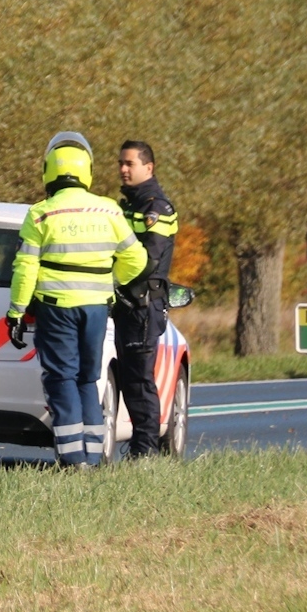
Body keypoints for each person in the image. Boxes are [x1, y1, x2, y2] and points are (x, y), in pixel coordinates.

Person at [6, 132, 147, 468]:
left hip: (56, 308)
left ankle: (72, 460)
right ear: (87, 171)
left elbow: (25, 269)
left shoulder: (40, 214)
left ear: (48, 170)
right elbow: (137, 260)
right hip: (97, 308)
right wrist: (113, 283)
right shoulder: (110, 211)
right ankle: (94, 456)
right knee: (87, 378)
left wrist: (16, 311)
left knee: (61, 378)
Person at [115, 140, 178, 458]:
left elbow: (148, 261)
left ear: (148, 168)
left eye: (130, 164)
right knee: (129, 378)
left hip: (142, 304)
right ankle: (140, 444)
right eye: (121, 164)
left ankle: (145, 450)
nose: (124, 169)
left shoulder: (156, 207)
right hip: (127, 304)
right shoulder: (129, 205)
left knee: (139, 379)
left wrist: (113, 277)